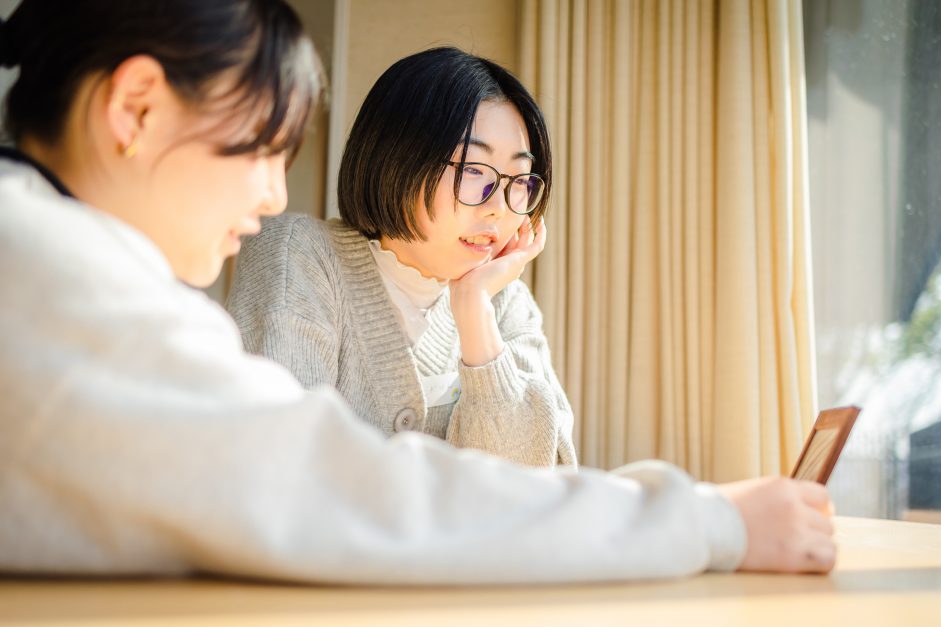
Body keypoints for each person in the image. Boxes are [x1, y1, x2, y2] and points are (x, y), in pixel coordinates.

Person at [0, 0, 837, 584]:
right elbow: (327, 488)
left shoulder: (52, 248)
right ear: (136, 107)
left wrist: (478, 315)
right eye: (260, 147)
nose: (271, 195)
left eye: (520, 182)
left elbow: (535, 467)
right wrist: (709, 521)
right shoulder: (42, 264)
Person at [227, 48, 575, 469]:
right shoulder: (300, 256)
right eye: (473, 170)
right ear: (399, 160)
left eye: (519, 180)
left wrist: (473, 313)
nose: (499, 207)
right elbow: (279, 465)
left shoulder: (504, 303)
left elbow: (536, 487)